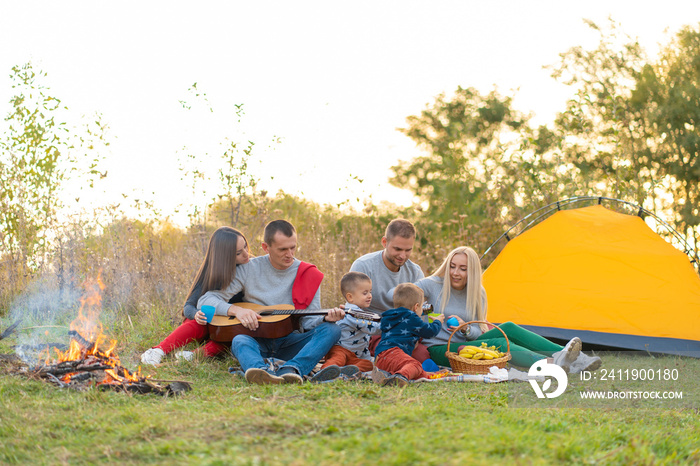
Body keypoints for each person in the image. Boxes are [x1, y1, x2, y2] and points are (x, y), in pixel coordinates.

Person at [198, 220, 344, 384]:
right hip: (256, 340)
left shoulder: (308, 274)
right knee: (239, 340)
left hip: (290, 341)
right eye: (283, 249)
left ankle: (292, 370)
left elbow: (309, 322)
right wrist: (237, 311)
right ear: (266, 247)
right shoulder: (249, 269)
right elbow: (206, 300)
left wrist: (325, 319)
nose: (289, 254)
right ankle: (261, 372)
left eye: (293, 247)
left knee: (332, 330)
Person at [415, 246, 602, 373]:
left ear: (471, 271)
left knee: (509, 327)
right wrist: (421, 308)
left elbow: (479, 330)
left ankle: (571, 356)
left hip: (465, 342)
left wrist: (466, 328)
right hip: (440, 349)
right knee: (501, 344)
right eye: (452, 266)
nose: (455, 273)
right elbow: (398, 294)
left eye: (462, 268)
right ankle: (553, 366)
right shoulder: (432, 285)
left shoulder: (477, 293)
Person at [140, 227, 249, 366]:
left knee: (233, 337)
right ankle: (157, 350)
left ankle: (193, 356)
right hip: (207, 325)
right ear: (224, 257)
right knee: (197, 322)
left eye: (245, 246)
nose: (246, 254)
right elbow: (188, 307)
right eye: (239, 253)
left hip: (229, 327)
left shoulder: (250, 268)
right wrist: (197, 314)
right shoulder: (210, 274)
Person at [349, 218, 427, 360]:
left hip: (405, 333)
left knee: (423, 355)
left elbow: (419, 313)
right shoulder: (363, 266)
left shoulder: (415, 272)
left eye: (408, 250)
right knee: (395, 354)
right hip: (373, 332)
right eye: (397, 249)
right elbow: (353, 311)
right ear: (384, 242)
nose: (402, 256)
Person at [372, 283, 444, 386]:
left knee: (411, 367)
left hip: (380, 356)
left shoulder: (388, 316)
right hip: (394, 353)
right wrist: (437, 322)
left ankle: (384, 374)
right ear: (416, 307)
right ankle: (401, 377)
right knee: (415, 364)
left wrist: (430, 374)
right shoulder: (411, 317)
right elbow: (430, 332)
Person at [316, 272, 380, 380]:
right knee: (337, 359)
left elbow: (364, 344)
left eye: (370, 292)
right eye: (365, 293)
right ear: (350, 297)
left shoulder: (362, 313)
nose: (370, 296)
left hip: (355, 356)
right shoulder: (351, 313)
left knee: (368, 365)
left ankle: (345, 372)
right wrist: (388, 326)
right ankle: (325, 372)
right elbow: (370, 327)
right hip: (341, 349)